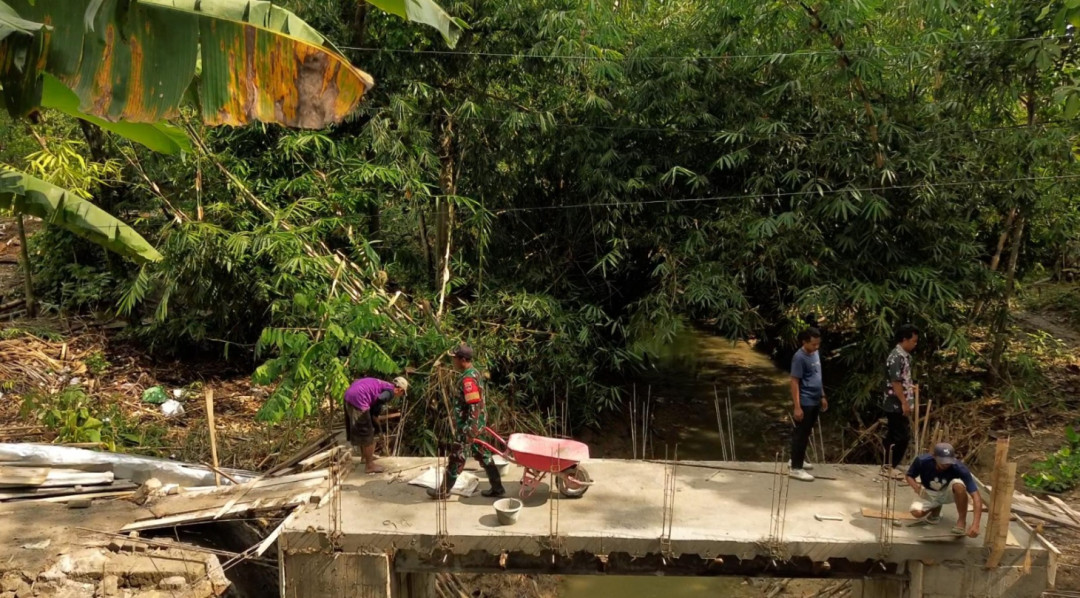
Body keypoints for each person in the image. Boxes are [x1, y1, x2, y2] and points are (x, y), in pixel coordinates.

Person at [428, 343, 506, 499]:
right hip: (478, 424)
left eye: (454, 358)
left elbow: (474, 406)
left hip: (468, 426)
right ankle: (497, 488)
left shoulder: (468, 379)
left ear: (463, 359)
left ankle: (443, 491)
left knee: (456, 457)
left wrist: (469, 430)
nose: (453, 362)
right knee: (484, 455)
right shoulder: (474, 373)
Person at [905, 442, 982, 537]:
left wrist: (976, 524)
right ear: (934, 456)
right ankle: (935, 508)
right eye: (942, 461)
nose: (946, 464)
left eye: (949, 461)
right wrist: (916, 487)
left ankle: (961, 521)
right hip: (929, 492)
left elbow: (976, 496)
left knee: (959, 485)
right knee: (916, 512)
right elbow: (909, 476)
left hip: (947, 492)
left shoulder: (960, 468)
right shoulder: (922, 461)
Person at [344, 376, 408, 473]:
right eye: (402, 393)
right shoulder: (390, 391)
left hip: (349, 396)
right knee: (368, 432)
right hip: (359, 399)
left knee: (363, 430)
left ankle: (365, 457)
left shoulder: (384, 384)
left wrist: (373, 415)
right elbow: (380, 399)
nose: (400, 395)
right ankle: (369, 465)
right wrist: (375, 415)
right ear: (399, 389)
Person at [789, 327, 826, 482]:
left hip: (816, 398)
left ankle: (796, 459)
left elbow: (818, 375)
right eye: (813, 344)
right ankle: (796, 468)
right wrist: (797, 407)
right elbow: (794, 382)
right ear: (804, 342)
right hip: (805, 400)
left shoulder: (815, 353)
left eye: (818, 344)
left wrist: (822, 395)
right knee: (801, 434)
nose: (816, 347)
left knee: (806, 432)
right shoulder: (799, 357)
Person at [882, 325, 919, 479]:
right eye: (913, 341)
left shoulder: (904, 356)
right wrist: (904, 402)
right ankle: (890, 465)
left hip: (901, 400)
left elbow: (903, 379)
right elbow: (895, 382)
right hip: (895, 402)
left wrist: (911, 389)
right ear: (904, 340)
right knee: (901, 436)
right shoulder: (896, 356)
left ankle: (888, 465)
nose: (915, 344)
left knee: (893, 434)